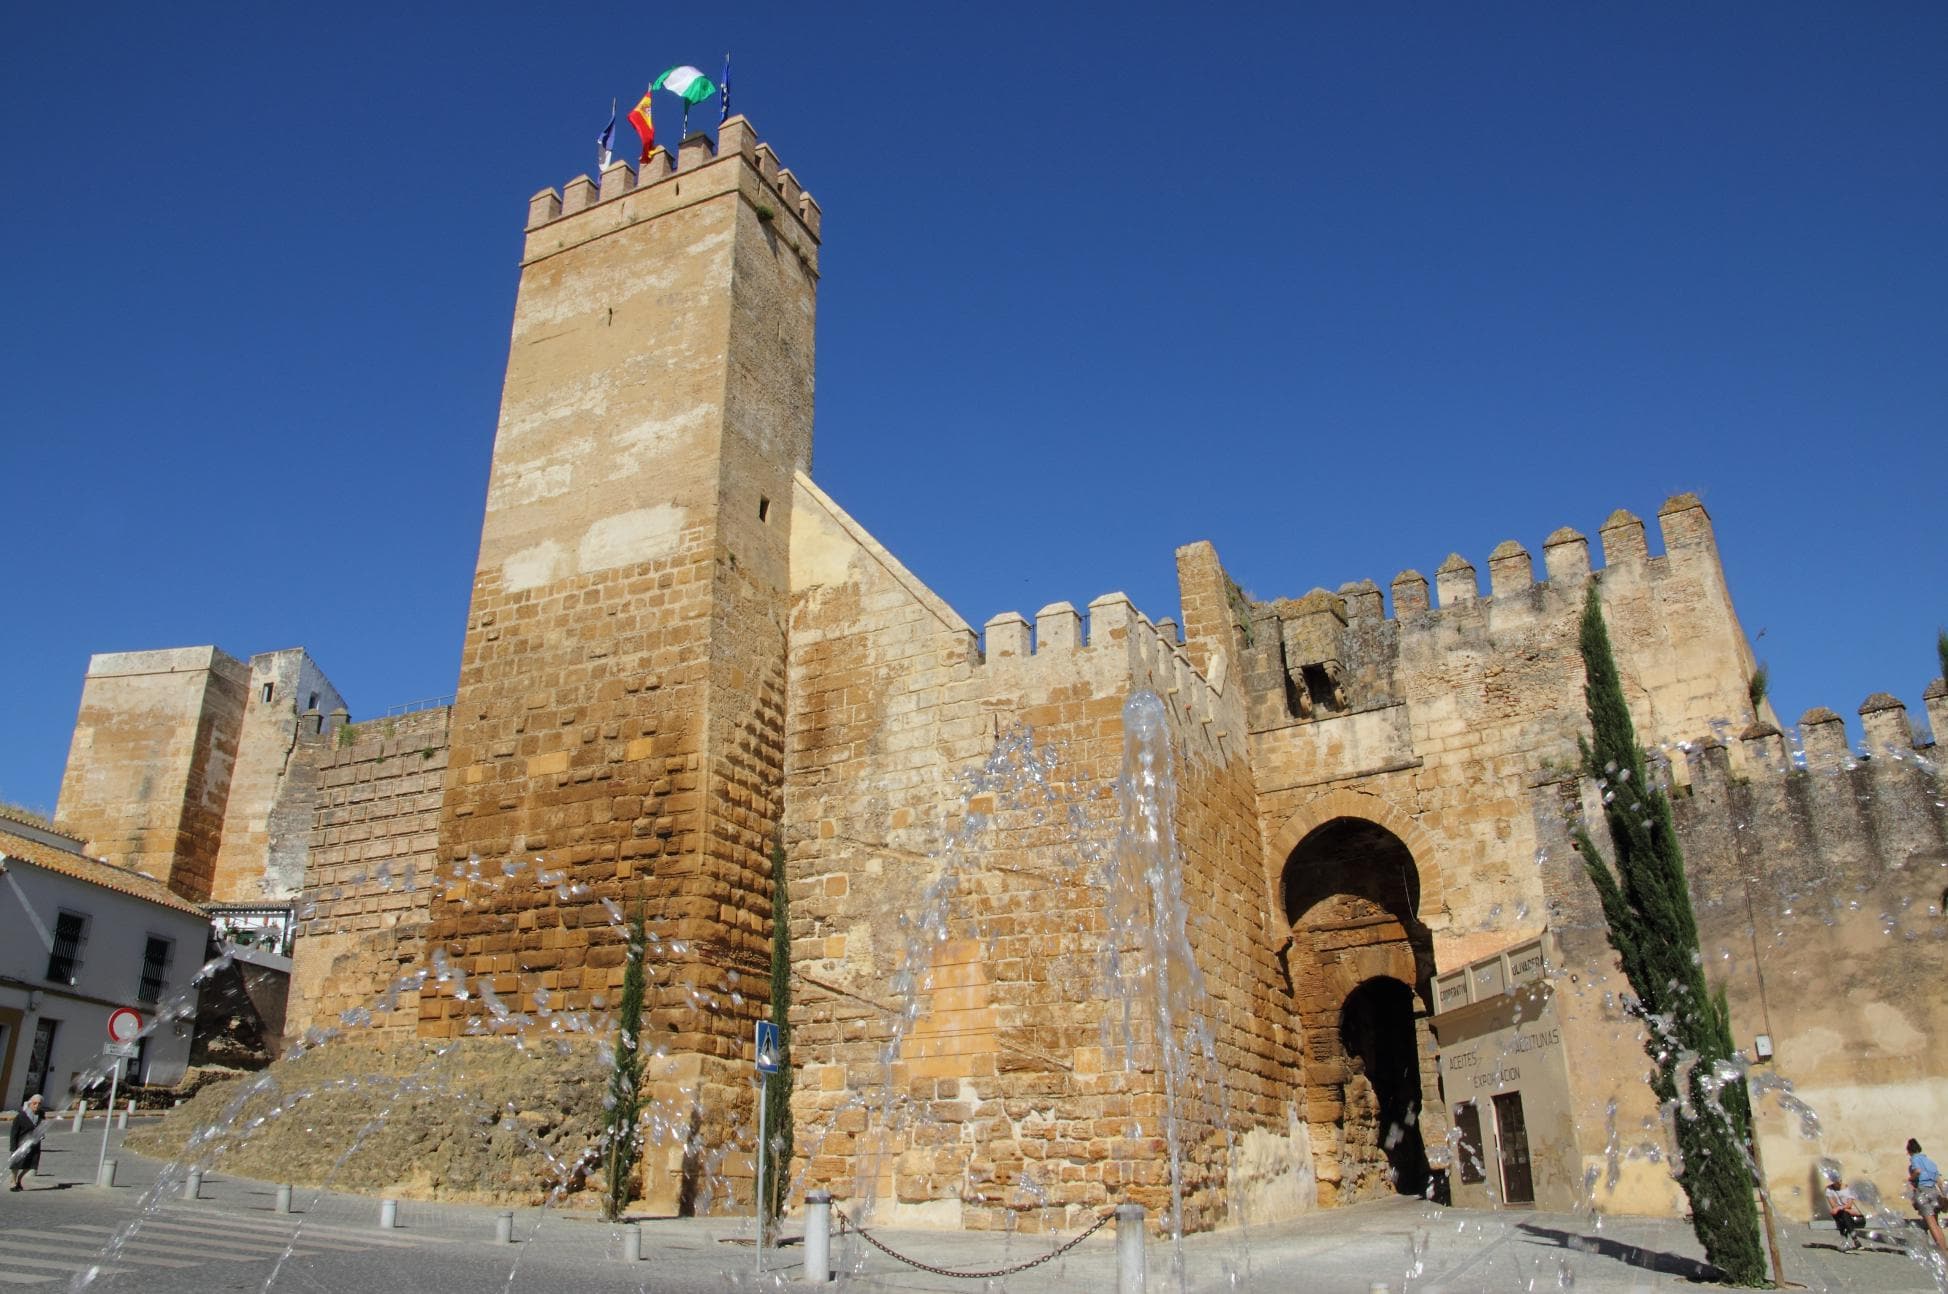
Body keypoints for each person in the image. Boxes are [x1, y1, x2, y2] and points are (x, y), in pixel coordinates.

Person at [1909, 1138, 1947, 1253]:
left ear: (1909, 1151)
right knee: (1936, 1223)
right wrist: (1944, 1197)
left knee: (1931, 1224)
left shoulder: (1914, 1158)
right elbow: (1938, 1179)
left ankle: (1942, 1252)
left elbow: (1918, 1171)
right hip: (1934, 1192)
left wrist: (1910, 1178)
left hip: (1923, 1191)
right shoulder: (1930, 1161)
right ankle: (1944, 1248)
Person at [8, 1094, 45, 1191]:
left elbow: (41, 1127)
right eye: (34, 1103)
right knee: (16, 1163)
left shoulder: (41, 1115)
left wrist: (41, 1134)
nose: (36, 1105)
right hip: (21, 1144)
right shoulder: (21, 1116)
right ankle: (13, 1181)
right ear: (30, 1104)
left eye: (39, 1104)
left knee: (31, 1164)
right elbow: (14, 1133)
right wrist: (13, 1147)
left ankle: (19, 1179)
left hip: (34, 1144)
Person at [1826, 1170, 1868, 1250]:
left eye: (1838, 1180)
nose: (1837, 1183)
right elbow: (1833, 1205)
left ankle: (1844, 1242)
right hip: (1839, 1213)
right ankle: (1855, 1240)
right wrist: (1840, 1209)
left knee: (1844, 1216)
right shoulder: (1829, 1190)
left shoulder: (1849, 1188)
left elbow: (1849, 1205)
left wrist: (1840, 1208)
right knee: (1843, 1215)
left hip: (1850, 1213)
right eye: (1834, 1181)